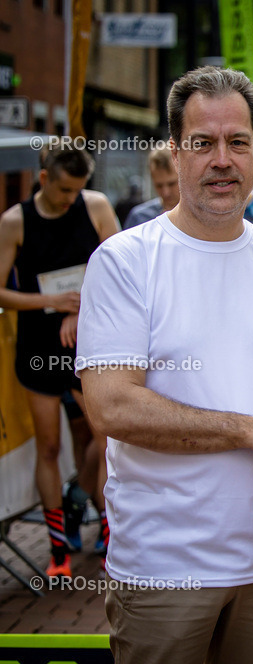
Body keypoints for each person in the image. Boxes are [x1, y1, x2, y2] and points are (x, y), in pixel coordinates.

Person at [76, 66, 253, 664]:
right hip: (166, 564)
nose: (223, 160)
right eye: (203, 143)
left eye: (238, 142)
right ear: (177, 152)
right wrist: (252, 431)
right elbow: (112, 408)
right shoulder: (127, 261)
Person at [0, 145, 119, 577]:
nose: (72, 198)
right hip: (38, 346)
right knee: (49, 446)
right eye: (65, 189)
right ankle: (57, 551)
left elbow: (122, 271)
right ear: (44, 177)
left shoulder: (97, 207)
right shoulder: (15, 221)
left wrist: (78, 308)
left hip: (90, 340)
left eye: (79, 189)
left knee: (106, 439)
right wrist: (50, 301)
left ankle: (108, 530)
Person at [124, 148, 180, 229]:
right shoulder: (139, 217)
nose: (165, 192)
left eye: (171, 184)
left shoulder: (199, 215)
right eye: (159, 186)